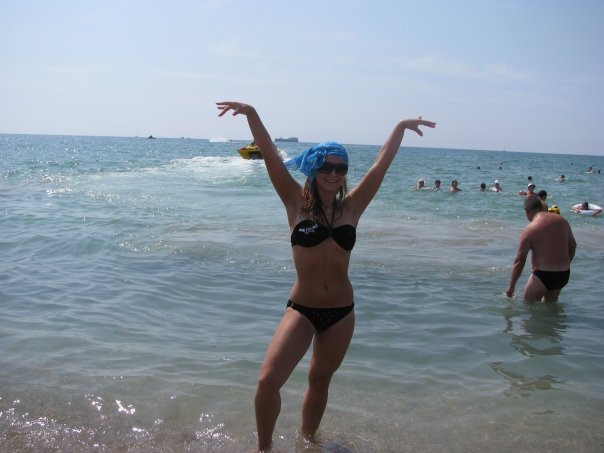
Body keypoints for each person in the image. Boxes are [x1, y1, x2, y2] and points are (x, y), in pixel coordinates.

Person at [216, 101, 435, 451]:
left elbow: (380, 165)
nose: (334, 174)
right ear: (315, 168)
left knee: (319, 380)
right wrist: (252, 113)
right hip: (302, 309)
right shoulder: (295, 202)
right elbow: (270, 156)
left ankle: (308, 442)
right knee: (268, 381)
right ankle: (264, 448)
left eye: (341, 168)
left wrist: (400, 128)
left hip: (342, 313)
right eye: (327, 167)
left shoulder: (352, 207)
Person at [506, 196, 576, 303]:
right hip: (563, 274)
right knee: (551, 307)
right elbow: (573, 246)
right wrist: (565, 265)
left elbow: (520, 260)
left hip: (543, 275)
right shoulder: (562, 220)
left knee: (528, 306)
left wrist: (512, 286)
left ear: (526, 210)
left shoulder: (529, 229)